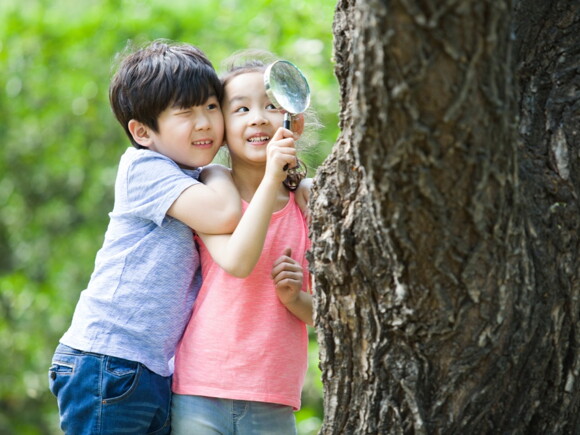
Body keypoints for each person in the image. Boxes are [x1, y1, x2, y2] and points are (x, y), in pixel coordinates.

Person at [48, 40, 298, 434]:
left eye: (211, 108)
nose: (204, 124)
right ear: (142, 131)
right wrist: (220, 171)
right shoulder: (143, 167)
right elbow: (226, 214)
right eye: (186, 113)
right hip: (107, 360)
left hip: (152, 369)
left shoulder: (194, 176)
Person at [171, 54, 315, 434]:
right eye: (241, 109)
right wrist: (273, 179)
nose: (258, 117)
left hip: (273, 396)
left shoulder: (308, 207)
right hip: (201, 388)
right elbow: (238, 262)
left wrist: (294, 298)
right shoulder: (213, 188)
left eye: (271, 106)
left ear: (293, 121)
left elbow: (332, 312)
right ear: (220, 129)